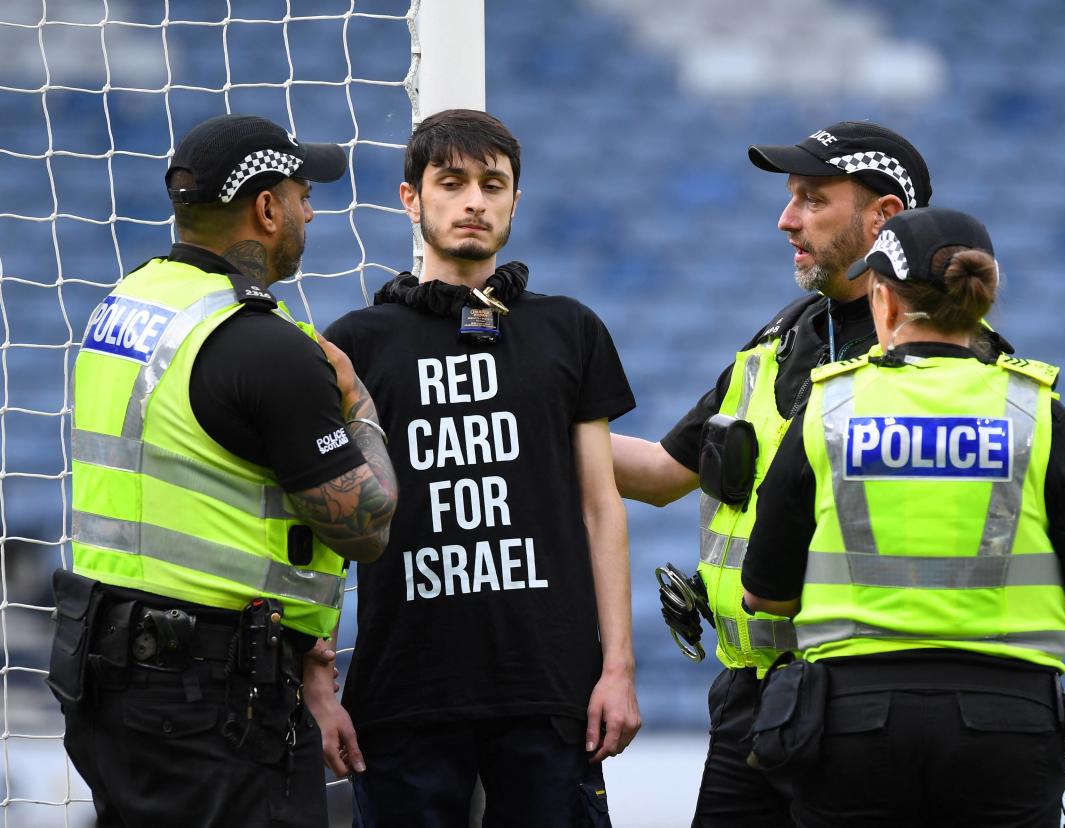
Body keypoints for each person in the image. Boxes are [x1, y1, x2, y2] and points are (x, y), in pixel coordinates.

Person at [612, 121, 972, 827]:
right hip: (753, 701)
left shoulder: (948, 359)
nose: (786, 219)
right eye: (789, 198)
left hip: (869, 705)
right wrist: (529, 414)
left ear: (884, 216)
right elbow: (658, 472)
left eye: (812, 199)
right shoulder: (780, 338)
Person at [48, 113, 398, 828]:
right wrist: (358, 400)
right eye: (302, 191)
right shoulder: (267, 347)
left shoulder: (126, 305)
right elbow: (368, 525)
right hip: (215, 700)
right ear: (266, 209)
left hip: (112, 675)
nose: (309, 207)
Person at [743, 207, 1065, 827]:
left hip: (852, 720)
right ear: (981, 302)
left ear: (884, 302)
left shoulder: (829, 405)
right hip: (1007, 720)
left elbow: (763, 595)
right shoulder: (1033, 408)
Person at [322, 108, 641, 827]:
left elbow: (601, 506)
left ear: (515, 201)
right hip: (404, 690)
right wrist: (318, 676)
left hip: (552, 693)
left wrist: (618, 668)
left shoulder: (572, 329)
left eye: (493, 184)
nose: (474, 201)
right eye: (452, 182)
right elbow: (324, 521)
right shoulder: (356, 343)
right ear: (411, 198)